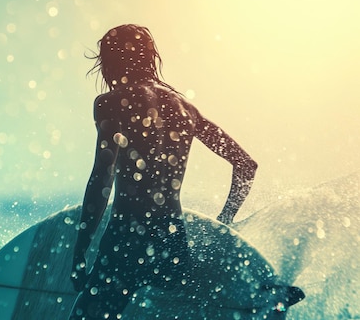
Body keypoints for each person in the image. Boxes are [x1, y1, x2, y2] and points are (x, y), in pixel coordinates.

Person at [69, 24, 257, 320]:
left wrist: (80, 250)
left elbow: (102, 178)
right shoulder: (186, 109)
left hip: (126, 239)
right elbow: (246, 165)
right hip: (172, 241)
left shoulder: (111, 103)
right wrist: (225, 220)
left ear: (111, 62)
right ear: (149, 58)